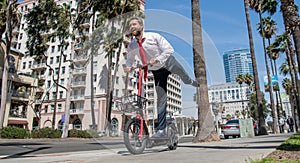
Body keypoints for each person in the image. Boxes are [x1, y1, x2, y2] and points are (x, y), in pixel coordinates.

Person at [125, 17, 197, 138]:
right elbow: (130, 59)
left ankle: (189, 81)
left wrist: (157, 59)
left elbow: (169, 49)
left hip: (168, 63)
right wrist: (128, 67)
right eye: (130, 25)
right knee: (161, 99)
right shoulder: (132, 45)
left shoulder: (153, 36)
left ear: (141, 26)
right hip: (157, 71)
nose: (132, 27)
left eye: (135, 24)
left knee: (183, 74)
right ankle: (161, 129)